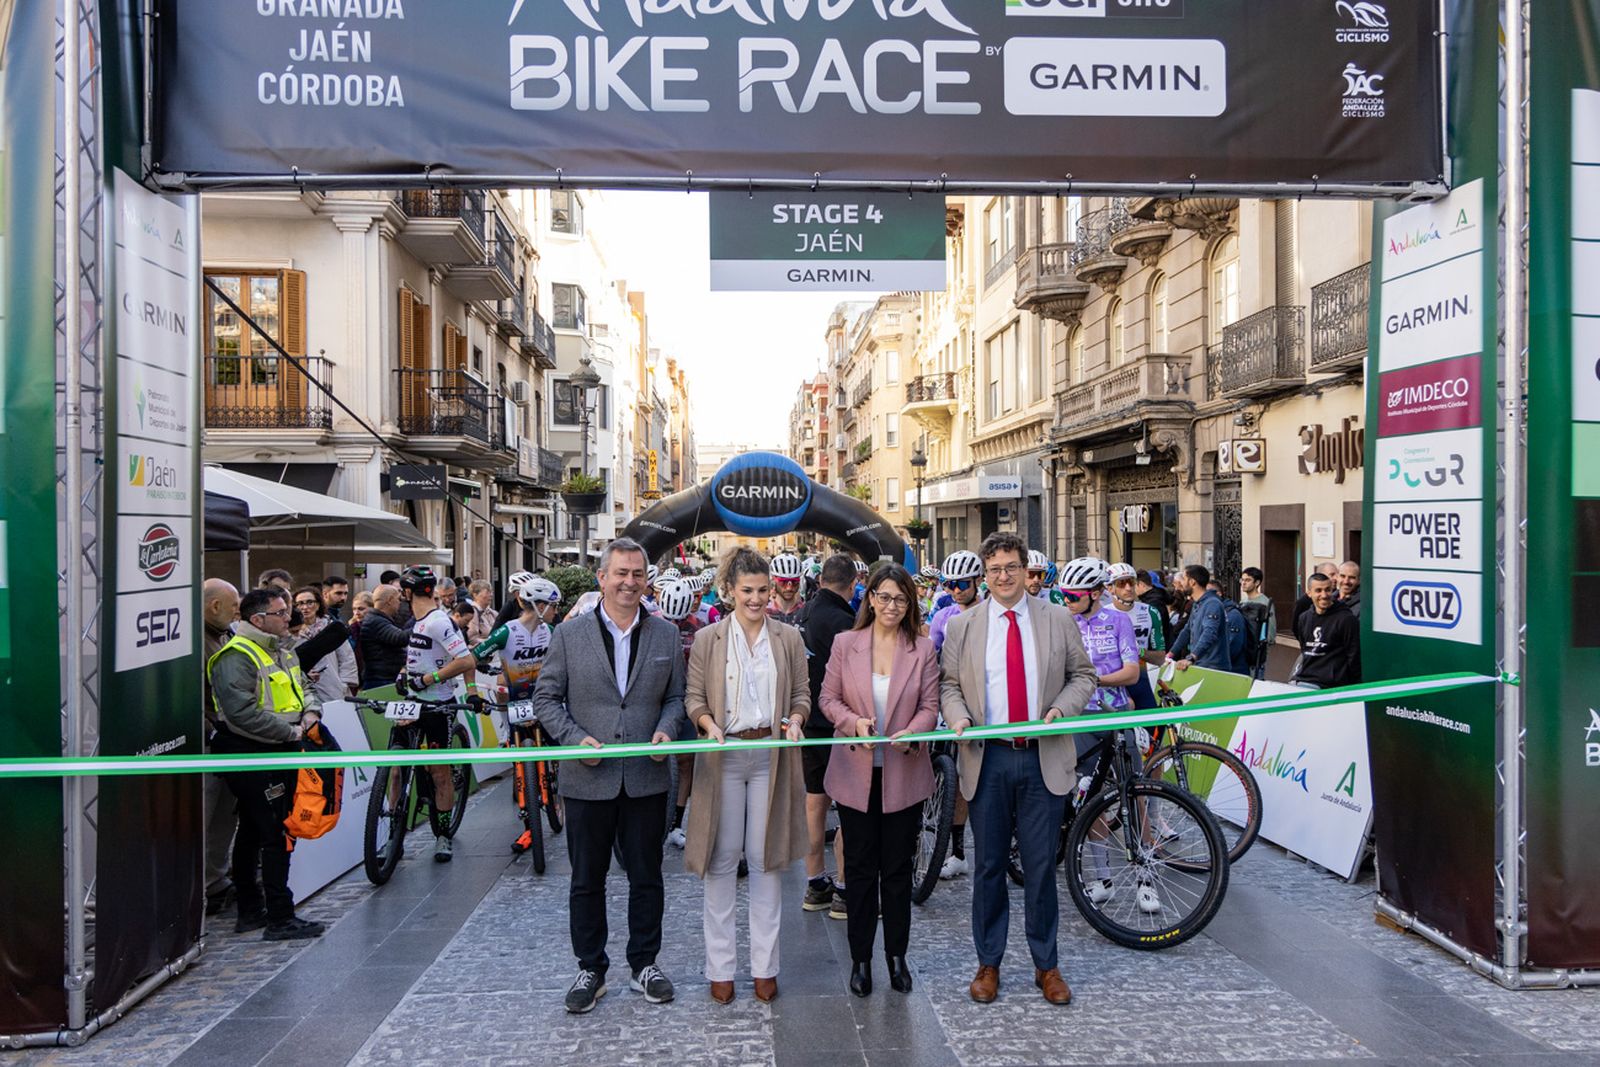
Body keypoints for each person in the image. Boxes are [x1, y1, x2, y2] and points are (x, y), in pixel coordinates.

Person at [940, 533, 1098, 1006]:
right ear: (983, 576)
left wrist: (1062, 711)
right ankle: (988, 963)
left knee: (1039, 867)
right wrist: (958, 718)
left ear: (1026, 571)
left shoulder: (1056, 619)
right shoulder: (963, 626)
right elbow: (948, 684)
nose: (1003, 577)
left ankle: (1046, 965)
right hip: (987, 759)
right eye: (994, 570)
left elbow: (1083, 676)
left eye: (1011, 567)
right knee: (988, 865)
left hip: (1042, 758)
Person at [532, 537, 686, 1015]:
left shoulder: (664, 635)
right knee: (586, 878)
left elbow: (676, 699)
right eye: (620, 573)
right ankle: (590, 968)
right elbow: (545, 699)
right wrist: (574, 738)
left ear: (647, 580)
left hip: (645, 776)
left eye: (637, 574)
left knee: (647, 876)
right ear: (602, 578)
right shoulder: (569, 635)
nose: (629, 582)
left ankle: (645, 963)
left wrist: (664, 730)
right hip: (587, 778)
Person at [683, 547, 810, 1005]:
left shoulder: (787, 638)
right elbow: (693, 696)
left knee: (765, 858)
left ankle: (765, 967)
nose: (756, 599)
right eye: (747, 591)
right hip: (724, 755)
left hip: (771, 755)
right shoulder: (709, 639)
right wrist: (707, 724)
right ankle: (720, 968)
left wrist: (795, 719)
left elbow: (802, 694)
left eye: (762, 591)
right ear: (730, 591)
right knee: (721, 858)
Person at [818, 563, 940, 998]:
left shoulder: (921, 648)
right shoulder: (845, 643)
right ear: (869, 598)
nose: (891, 605)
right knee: (860, 870)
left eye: (901, 599)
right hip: (855, 774)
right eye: (884, 596)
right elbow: (827, 699)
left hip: (903, 773)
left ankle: (896, 956)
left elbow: (930, 705)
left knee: (897, 870)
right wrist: (852, 723)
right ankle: (861, 959)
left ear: (910, 604)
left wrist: (916, 732)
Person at [205, 587, 325, 941]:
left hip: (278, 748)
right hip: (252, 751)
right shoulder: (236, 655)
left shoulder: (281, 649)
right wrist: (290, 732)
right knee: (274, 832)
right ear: (258, 620)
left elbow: (303, 687)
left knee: (254, 831)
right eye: (281, 612)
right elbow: (241, 713)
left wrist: (312, 713)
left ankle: (253, 911)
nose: (289, 617)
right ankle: (278, 915)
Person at [1059, 558, 1155, 913]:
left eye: (1073, 594)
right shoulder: (1063, 621)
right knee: (1091, 795)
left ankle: (1146, 879)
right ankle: (1102, 878)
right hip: (1080, 717)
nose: (1067, 599)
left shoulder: (1117, 621)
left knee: (1136, 794)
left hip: (1114, 715)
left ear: (1096, 593)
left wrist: (1093, 679)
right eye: (1064, 594)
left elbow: (1131, 673)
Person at [396, 566, 482, 862]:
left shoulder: (437, 622)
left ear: (408, 592)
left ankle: (442, 835)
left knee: (439, 773)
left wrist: (430, 679)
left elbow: (465, 660)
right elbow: (420, 655)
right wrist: (405, 672)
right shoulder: (416, 621)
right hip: (411, 701)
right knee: (393, 769)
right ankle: (395, 828)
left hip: (437, 704)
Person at [474, 574, 560, 853]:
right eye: (552, 605)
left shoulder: (552, 631)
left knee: (558, 747)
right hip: (516, 701)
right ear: (538, 605)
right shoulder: (506, 631)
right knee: (520, 761)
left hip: (545, 700)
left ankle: (557, 787)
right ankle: (528, 824)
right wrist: (479, 682)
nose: (555, 610)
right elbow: (475, 655)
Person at [794, 554, 858, 918]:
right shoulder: (845, 621)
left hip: (808, 724)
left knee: (814, 804)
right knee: (848, 807)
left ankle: (815, 883)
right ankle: (845, 889)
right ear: (851, 585)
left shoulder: (802, 615)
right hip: (838, 723)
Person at [928, 549, 986, 879]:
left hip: (986, 706)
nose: (955, 590)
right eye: (949, 584)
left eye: (961, 583)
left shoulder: (991, 612)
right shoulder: (943, 615)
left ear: (978, 581)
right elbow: (928, 655)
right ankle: (958, 851)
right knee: (956, 780)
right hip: (951, 702)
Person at [201, 579, 241, 917]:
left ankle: (215, 880)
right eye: (234, 607)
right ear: (214, 606)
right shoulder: (196, 641)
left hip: (229, 738)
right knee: (207, 813)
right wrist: (213, 730)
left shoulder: (225, 635)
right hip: (209, 740)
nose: (237, 612)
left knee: (224, 816)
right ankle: (202, 885)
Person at [655, 579, 705, 850]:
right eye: (669, 621)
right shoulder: (650, 622)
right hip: (654, 700)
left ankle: (675, 824)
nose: (674, 627)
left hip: (686, 698)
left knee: (686, 762)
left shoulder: (700, 629)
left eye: (680, 622)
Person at [1105, 562, 1163, 710]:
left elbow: (1160, 658)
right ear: (1110, 588)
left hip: (1140, 677)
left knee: (1153, 726)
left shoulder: (1150, 612)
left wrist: (1139, 652)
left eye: (1131, 582)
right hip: (1112, 681)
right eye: (1121, 584)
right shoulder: (1102, 615)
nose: (1128, 588)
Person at [1291, 572, 1361, 689]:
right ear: (1309, 593)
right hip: (1303, 680)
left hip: (1332, 686)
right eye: (1318, 590)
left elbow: (1354, 657)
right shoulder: (1304, 618)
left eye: (1328, 590)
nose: (1324, 595)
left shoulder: (1346, 619)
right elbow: (1304, 648)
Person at [291, 586, 358, 704]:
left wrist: (343, 684)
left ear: (318, 604)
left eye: (309, 602)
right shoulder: (292, 632)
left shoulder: (331, 628)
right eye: (300, 603)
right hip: (305, 688)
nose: (305, 607)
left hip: (332, 686)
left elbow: (347, 658)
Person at [1166, 565, 1232, 672]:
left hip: (1213, 668)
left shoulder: (1212, 604)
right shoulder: (1197, 604)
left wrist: (1192, 657)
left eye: (1183, 579)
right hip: (1201, 665)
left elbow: (1209, 633)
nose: (1181, 583)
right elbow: (1187, 631)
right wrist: (1170, 654)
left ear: (1192, 582)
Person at [358, 584, 411, 691]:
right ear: (390, 600)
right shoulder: (375, 620)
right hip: (380, 681)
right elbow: (401, 638)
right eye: (398, 599)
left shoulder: (377, 619)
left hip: (382, 678)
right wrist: (423, 624)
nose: (400, 603)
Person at [1238, 567, 1276, 680]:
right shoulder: (1243, 602)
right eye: (1242, 580)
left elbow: (1271, 630)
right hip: (1244, 652)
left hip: (1257, 654)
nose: (1243, 583)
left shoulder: (1265, 603)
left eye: (1248, 580)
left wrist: (1264, 650)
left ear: (1257, 583)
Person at [1293, 563, 1340, 634]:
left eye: (1337, 574)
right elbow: (1297, 627)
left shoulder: (1338, 597)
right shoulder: (1303, 602)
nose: (1336, 578)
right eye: (1332, 575)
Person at [767, 553, 806, 625]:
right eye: (783, 581)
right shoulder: (765, 611)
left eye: (794, 582)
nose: (789, 588)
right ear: (773, 580)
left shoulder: (806, 612)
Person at [466, 579, 496, 644]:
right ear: (475, 595)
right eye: (487, 592)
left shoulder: (492, 613)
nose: (491, 595)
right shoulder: (472, 612)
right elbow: (471, 639)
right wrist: (491, 642)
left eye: (491, 592)